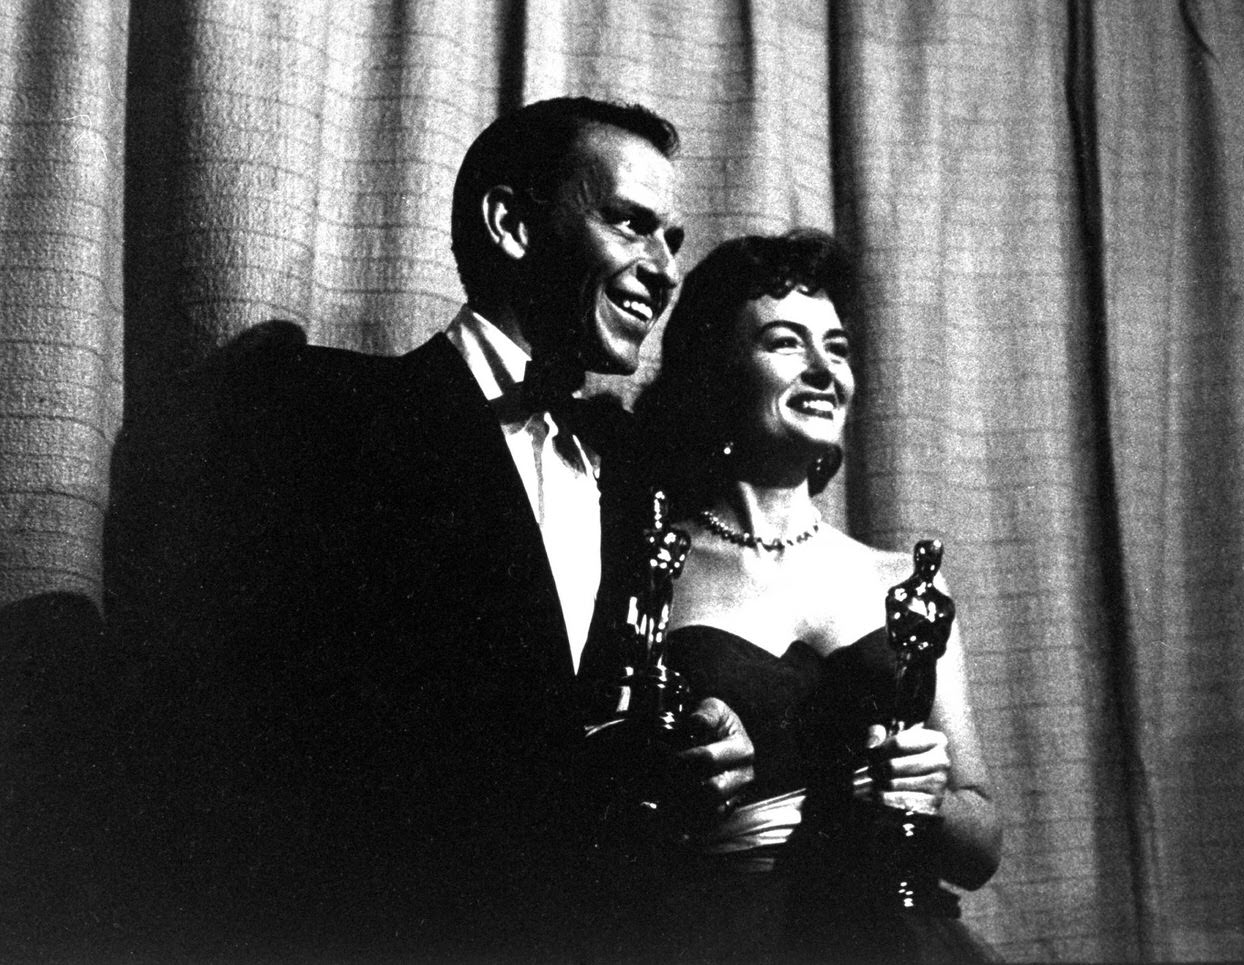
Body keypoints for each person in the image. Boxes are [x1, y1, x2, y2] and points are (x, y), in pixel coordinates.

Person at [107, 97, 754, 961]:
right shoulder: (318, 414)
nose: (665, 270)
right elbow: (246, 749)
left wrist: (682, 752)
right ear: (512, 224)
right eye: (633, 225)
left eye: (673, 240)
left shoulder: (637, 483)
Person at [614, 229, 1004, 963]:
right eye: (787, 343)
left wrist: (925, 797)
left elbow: (980, 844)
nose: (827, 370)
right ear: (715, 371)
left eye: (840, 348)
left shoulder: (907, 581)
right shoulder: (651, 564)